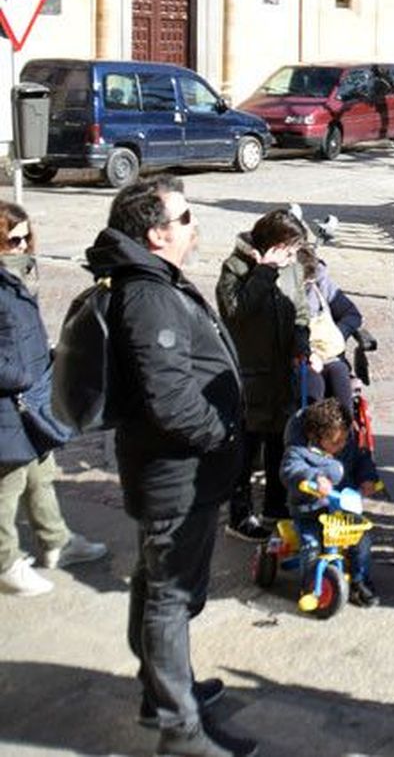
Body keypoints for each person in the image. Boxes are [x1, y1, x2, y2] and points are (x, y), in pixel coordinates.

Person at [89, 177, 254, 757]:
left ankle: (161, 692)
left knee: (159, 587)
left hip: (179, 471)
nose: (193, 225)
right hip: (175, 473)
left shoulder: (153, 281)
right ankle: (180, 730)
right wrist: (220, 434)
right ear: (157, 233)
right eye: (184, 218)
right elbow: (169, 396)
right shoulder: (148, 293)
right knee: (171, 595)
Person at [0, 203, 106, 597]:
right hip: (8, 402)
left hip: (30, 400)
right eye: (14, 240)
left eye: (28, 237)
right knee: (7, 486)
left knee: (41, 475)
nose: (23, 245)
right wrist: (21, 373)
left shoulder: (18, 279)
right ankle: (5, 562)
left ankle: (56, 541)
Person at [216, 209, 309, 542]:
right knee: (245, 443)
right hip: (248, 371)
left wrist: (302, 343)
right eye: (288, 248)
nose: (292, 256)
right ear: (272, 244)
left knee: (278, 441)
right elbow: (235, 311)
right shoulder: (236, 268)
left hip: (282, 370)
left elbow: (300, 310)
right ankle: (239, 513)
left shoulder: (293, 269)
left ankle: (275, 504)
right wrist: (264, 272)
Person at [280, 398, 379, 607]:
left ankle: (360, 581)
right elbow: (290, 470)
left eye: (344, 439)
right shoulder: (299, 450)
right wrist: (313, 478)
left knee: (362, 542)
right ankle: (310, 587)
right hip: (310, 511)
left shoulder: (346, 444)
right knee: (312, 546)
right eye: (335, 442)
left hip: (342, 510)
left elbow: (363, 459)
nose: (341, 445)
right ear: (316, 437)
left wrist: (367, 478)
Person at [297, 243, 365, 420]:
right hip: (300, 358)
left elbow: (352, 314)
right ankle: (313, 437)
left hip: (330, 355)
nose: (308, 284)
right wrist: (309, 353)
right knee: (313, 383)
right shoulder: (281, 291)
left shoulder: (320, 283)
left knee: (339, 374)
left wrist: (335, 335)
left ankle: (345, 435)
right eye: (305, 282)